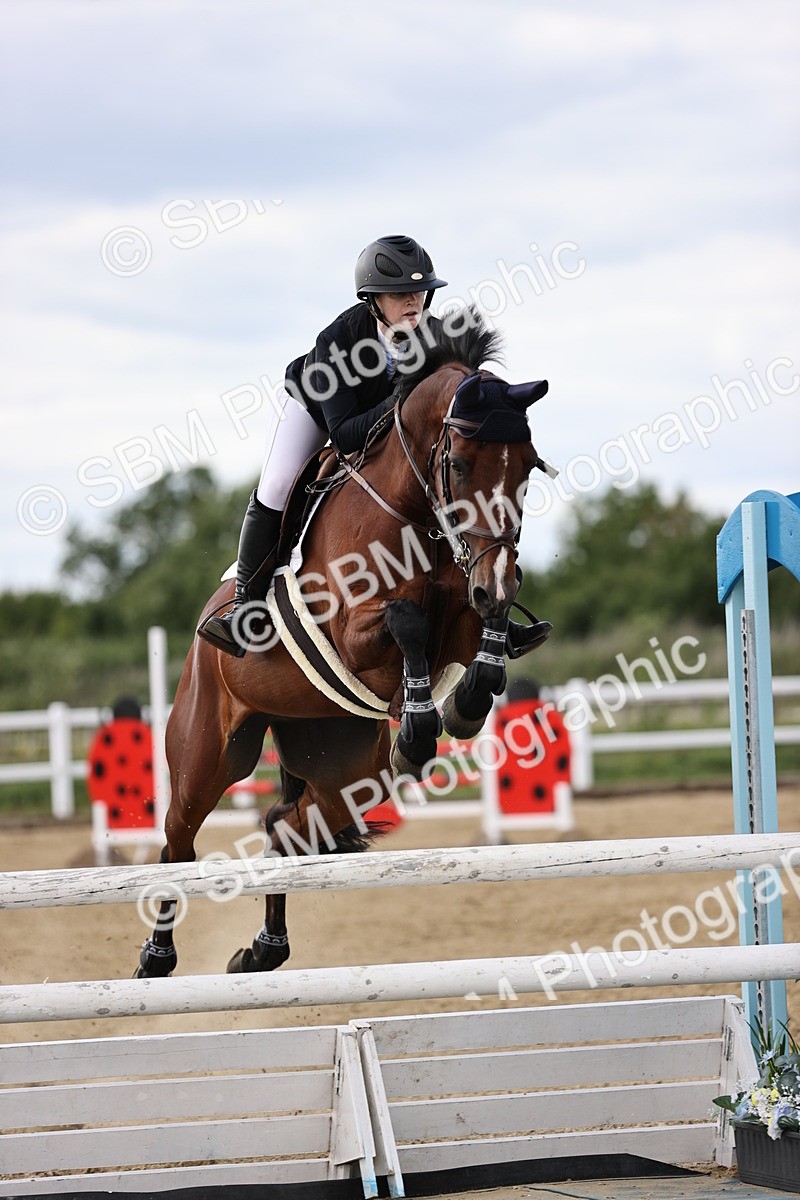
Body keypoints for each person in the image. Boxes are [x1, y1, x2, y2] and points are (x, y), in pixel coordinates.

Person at [198, 234, 550, 659]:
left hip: (386, 426)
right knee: (277, 485)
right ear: (373, 301)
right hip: (317, 412)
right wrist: (403, 403)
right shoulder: (338, 342)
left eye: (421, 291)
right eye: (399, 294)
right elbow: (346, 435)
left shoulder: (438, 338)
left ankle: (490, 617)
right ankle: (245, 607)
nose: (413, 301)